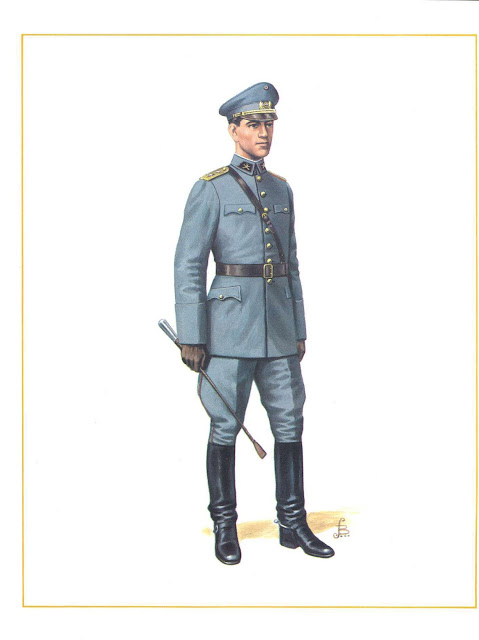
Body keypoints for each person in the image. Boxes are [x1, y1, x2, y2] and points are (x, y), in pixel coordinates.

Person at [174, 82, 334, 564]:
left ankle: (293, 523)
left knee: (290, 422)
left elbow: (292, 263)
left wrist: (299, 327)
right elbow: (188, 264)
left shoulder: (282, 188)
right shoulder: (211, 188)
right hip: (228, 330)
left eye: (268, 124)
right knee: (225, 424)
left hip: (279, 329)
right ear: (233, 130)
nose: (264, 132)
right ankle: (226, 526)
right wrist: (192, 335)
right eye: (253, 124)